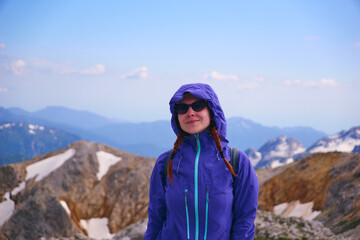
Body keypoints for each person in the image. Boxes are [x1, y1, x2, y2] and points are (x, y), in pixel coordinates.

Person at [144, 83, 259, 240]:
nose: (190, 112)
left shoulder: (236, 161)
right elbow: (155, 220)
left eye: (198, 106)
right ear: (176, 116)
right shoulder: (165, 163)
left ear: (212, 111)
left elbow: (245, 220)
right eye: (182, 108)